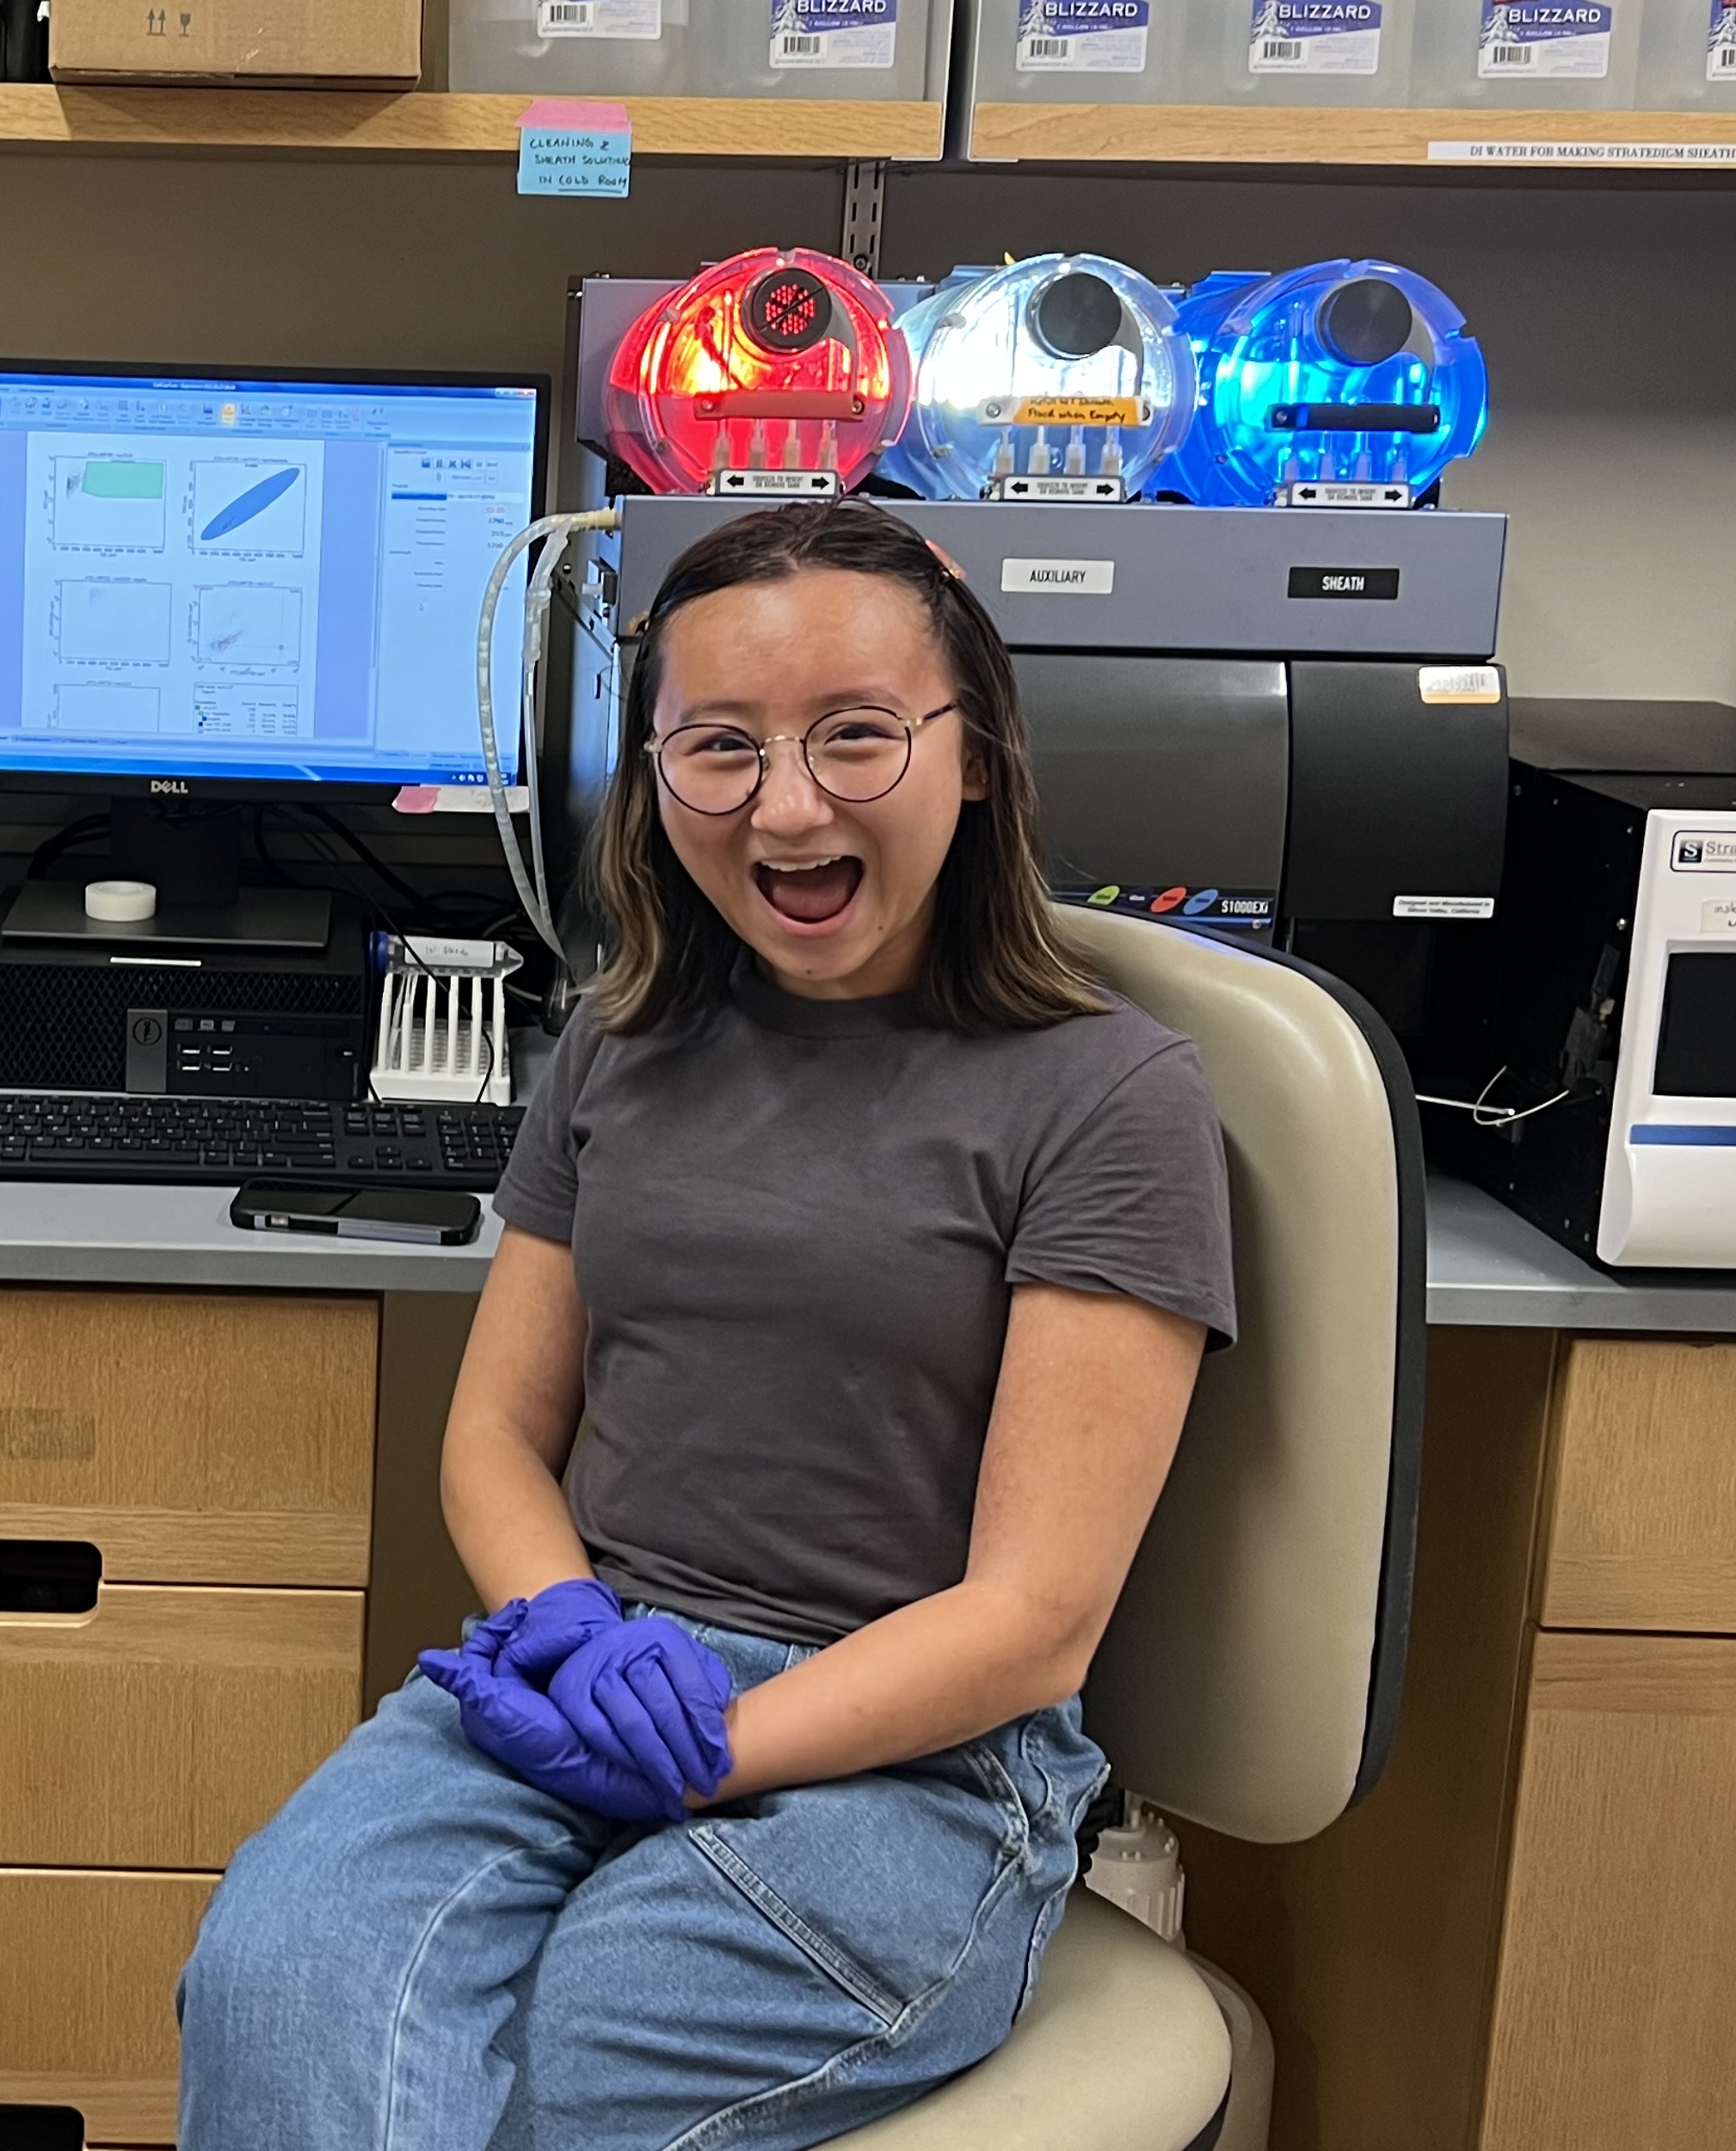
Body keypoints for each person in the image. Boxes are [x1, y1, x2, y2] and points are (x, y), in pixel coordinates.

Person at [177, 497, 1235, 2150]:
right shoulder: (621, 1042)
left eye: (856, 735)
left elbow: (1036, 1622)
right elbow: (495, 1435)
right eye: (719, 748)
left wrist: (708, 1752)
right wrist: (572, 1632)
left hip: (916, 1754)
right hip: (586, 1666)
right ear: (654, 776)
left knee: (562, 2071)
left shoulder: (1110, 1097)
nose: (787, 806)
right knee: (279, 1986)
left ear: (974, 752)